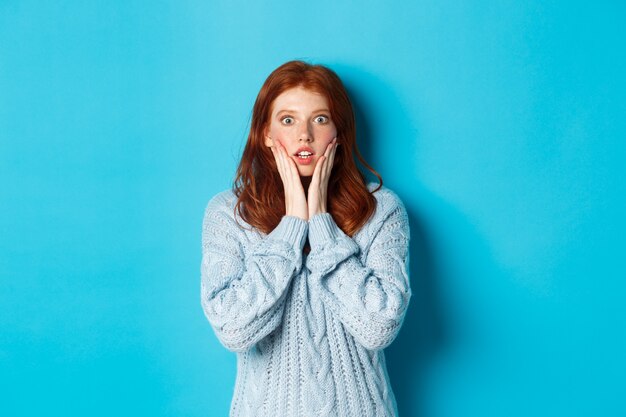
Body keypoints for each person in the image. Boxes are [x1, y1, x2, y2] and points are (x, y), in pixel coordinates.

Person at [200, 60, 411, 417]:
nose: (304, 135)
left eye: (320, 119)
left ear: (338, 131)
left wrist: (322, 226)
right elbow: (233, 330)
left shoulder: (382, 210)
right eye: (288, 120)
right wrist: (293, 225)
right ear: (265, 133)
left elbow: (378, 328)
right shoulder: (228, 214)